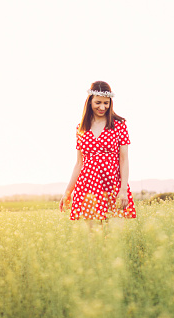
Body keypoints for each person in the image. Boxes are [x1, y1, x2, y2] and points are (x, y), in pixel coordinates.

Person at [60, 81, 136, 227]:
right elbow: (79, 163)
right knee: (93, 239)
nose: (102, 107)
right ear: (90, 102)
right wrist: (67, 192)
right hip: (88, 185)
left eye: (106, 103)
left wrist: (123, 189)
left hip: (113, 183)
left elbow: (124, 159)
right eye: (98, 102)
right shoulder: (81, 128)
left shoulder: (119, 125)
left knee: (115, 238)